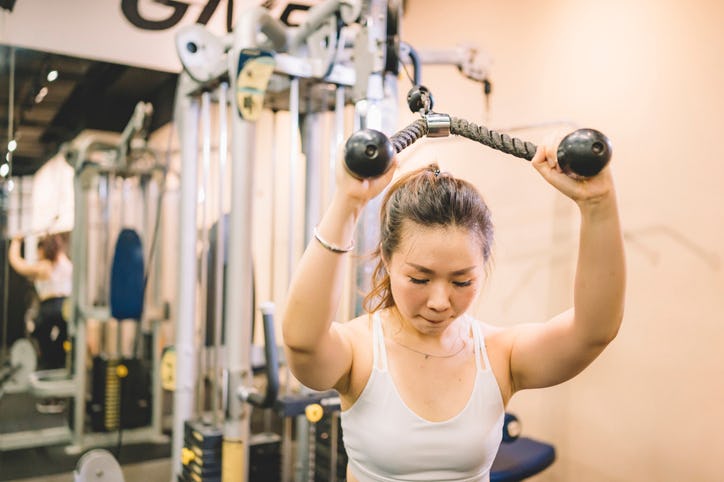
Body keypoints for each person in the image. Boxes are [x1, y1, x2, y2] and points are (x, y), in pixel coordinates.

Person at [281, 141, 625, 482]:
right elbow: (302, 342)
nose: (440, 302)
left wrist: (598, 203)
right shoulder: (360, 350)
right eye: (419, 278)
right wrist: (348, 203)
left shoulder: (498, 354)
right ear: (387, 259)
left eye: (461, 282)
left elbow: (593, 331)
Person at [9, 233, 73, 413]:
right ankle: (59, 394)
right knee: (60, 354)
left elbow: (18, 264)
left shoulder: (46, 266)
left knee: (48, 353)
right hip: (67, 312)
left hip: (51, 311)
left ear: (44, 249)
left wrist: (15, 242)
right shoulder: (66, 264)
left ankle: (53, 396)